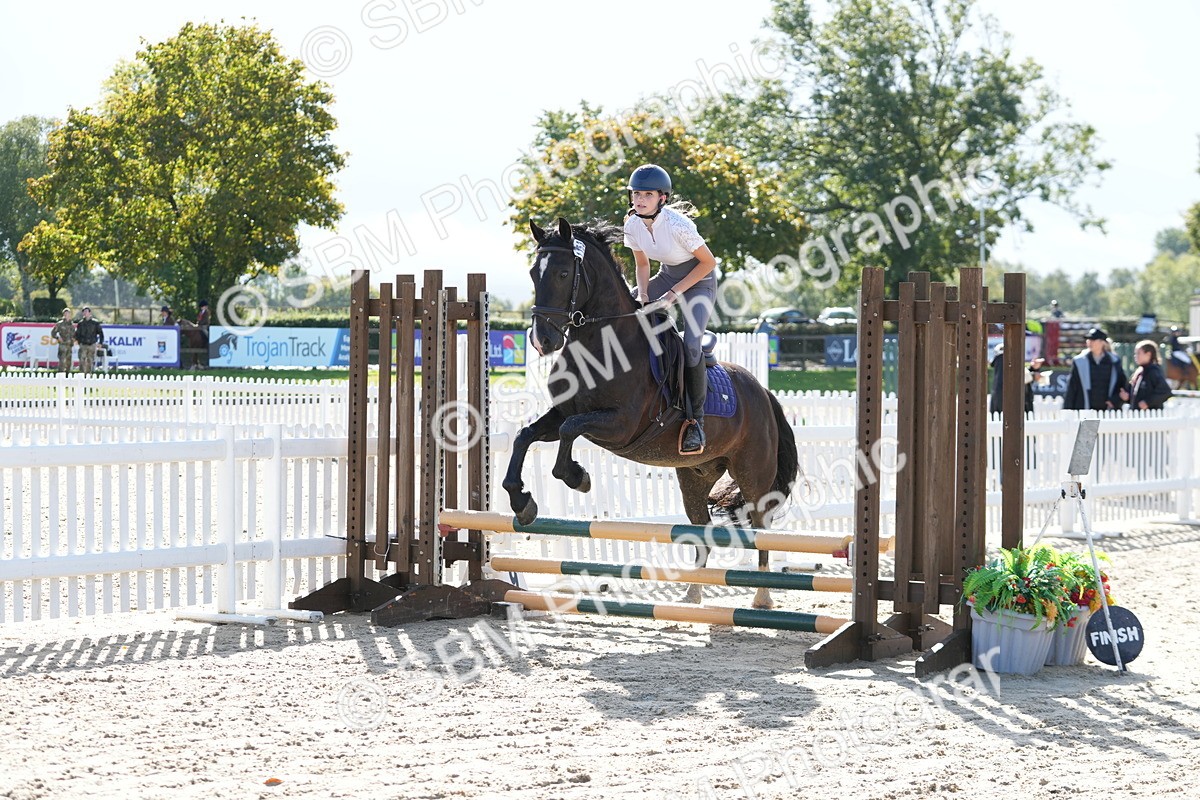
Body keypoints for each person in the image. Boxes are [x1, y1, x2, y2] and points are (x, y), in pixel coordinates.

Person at [623, 164, 718, 454]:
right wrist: (641, 294)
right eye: (636, 194)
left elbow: (708, 263)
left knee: (691, 345)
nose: (640, 200)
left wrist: (672, 295)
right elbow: (642, 265)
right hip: (667, 274)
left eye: (647, 194)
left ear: (662, 198)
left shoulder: (678, 225)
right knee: (624, 310)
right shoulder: (632, 224)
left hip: (699, 281)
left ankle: (695, 422)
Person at [1062, 327, 1127, 411]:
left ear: (1102, 342)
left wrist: (1115, 401)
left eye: (1093, 340)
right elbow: (1071, 388)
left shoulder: (1114, 361)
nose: (1089, 342)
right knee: (1088, 425)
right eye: (1088, 340)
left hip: (1108, 412)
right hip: (1085, 411)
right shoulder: (1079, 361)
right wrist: (1067, 410)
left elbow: (1122, 386)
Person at [989, 343, 1044, 415]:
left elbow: (1017, 374)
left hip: (1009, 402)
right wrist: (1032, 375)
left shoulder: (1006, 360)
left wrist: (1032, 369)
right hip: (1008, 404)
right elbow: (1011, 378)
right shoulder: (1003, 359)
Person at [1120, 340, 1172, 410]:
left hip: (1150, 416)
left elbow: (1165, 391)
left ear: (1148, 354)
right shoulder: (1139, 372)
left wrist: (1148, 402)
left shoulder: (1153, 372)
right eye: (1135, 353)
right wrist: (1127, 397)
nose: (1136, 356)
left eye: (1138, 353)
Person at [73, 307, 105, 375]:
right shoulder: (80, 323)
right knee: (82, 360)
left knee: (90, 361)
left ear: (90, 313)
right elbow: (77, 333)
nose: (85, 313)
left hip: (92, 344)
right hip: (83, 344)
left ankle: (88, 375)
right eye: (84, 312)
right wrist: (76, 340)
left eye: (87, 311)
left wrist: (100, 343)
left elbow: (101, 333)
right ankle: (81, 375)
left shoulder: (95, 323)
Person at [50, 307, 75, 373]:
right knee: (62, 361)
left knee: (68, 362)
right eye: (66, 313)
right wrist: (58, 338)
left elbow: (73, 334)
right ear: (63, 314)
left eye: (68, 313)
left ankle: (67, 376)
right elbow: (53, 333)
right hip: (62, 345)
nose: (67, 314)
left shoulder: (72, 324)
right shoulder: (60, 324)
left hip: (69, 345)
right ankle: (60, 376)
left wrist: (73, 339)